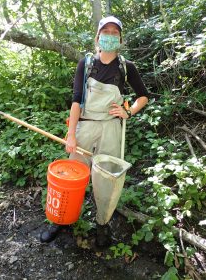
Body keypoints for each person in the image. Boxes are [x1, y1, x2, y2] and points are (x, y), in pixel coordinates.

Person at [40, 16, 149, 246]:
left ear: (120, 38)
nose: (110, 35)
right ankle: (62, 220)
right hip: (85, 125)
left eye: (114, 32)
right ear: (98, 36)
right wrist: (71, 135)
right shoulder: (86, 63)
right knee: (73, 174)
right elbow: (76, 100)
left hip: (111, 128)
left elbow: (143, 97)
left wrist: (128, 112)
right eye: (105, 31)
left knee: (107, 178)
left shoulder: (126, 67)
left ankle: (103, 224)